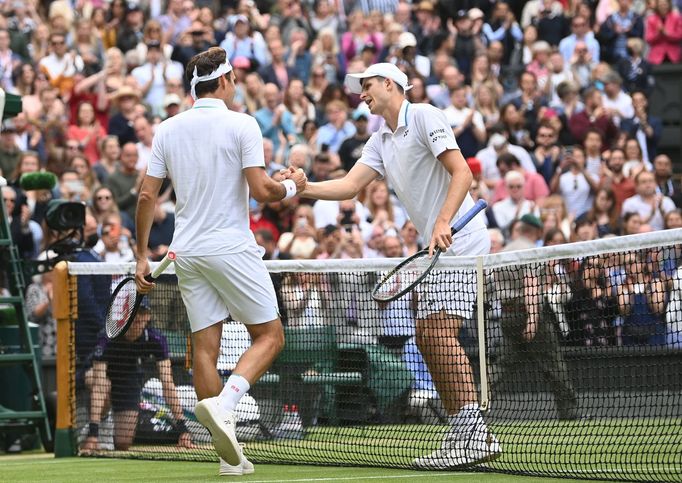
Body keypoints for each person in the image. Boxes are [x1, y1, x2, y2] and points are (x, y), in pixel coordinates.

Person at [287, 62, 500, 469]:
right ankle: (465, 431)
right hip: (437, 247)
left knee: (436, 333)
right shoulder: (379, 139)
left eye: (367, 86)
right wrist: (305, 187)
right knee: (425, 336)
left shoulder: (423, 115)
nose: (361, 94)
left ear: (390, 84)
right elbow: (350, 186)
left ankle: (474, 433)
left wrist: (441, 221)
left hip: (461, 238)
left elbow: (462, 174)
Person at [134, 47, 306, 476]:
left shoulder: (168, 129)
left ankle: (229, 456)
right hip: (230, 248)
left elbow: (145, 196)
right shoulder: (242, 123)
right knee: (270, 337)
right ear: (225, 82)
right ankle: (227, 406)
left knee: (205, 352)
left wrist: (140, 255)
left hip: (185, 254)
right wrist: (292, 187)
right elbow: (264, 192)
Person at [488, 214, 580, 419]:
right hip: (527, 313)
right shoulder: (531, 251)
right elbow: (531, 285)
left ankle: (477, 404)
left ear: (519, 229)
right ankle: (570, 412)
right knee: (553, 363)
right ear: (537, 231)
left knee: (503, 365)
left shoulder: (503, 252)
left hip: (507, 316)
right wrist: (532, 319)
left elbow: (490, 287)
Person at [82, 297, 193, 452]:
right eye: (133, 313)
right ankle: (97, 424)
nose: (138, 318)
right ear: (125, 315)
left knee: (123, 443)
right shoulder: (108, 336)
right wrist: (93, 434)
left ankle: (108, 424)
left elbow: (167, 383)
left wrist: (182, 428)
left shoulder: (156, 339)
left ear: (148, 316)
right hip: (98, 375)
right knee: (103, 383)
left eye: (142, 312)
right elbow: (100, 384)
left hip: (128, 378)